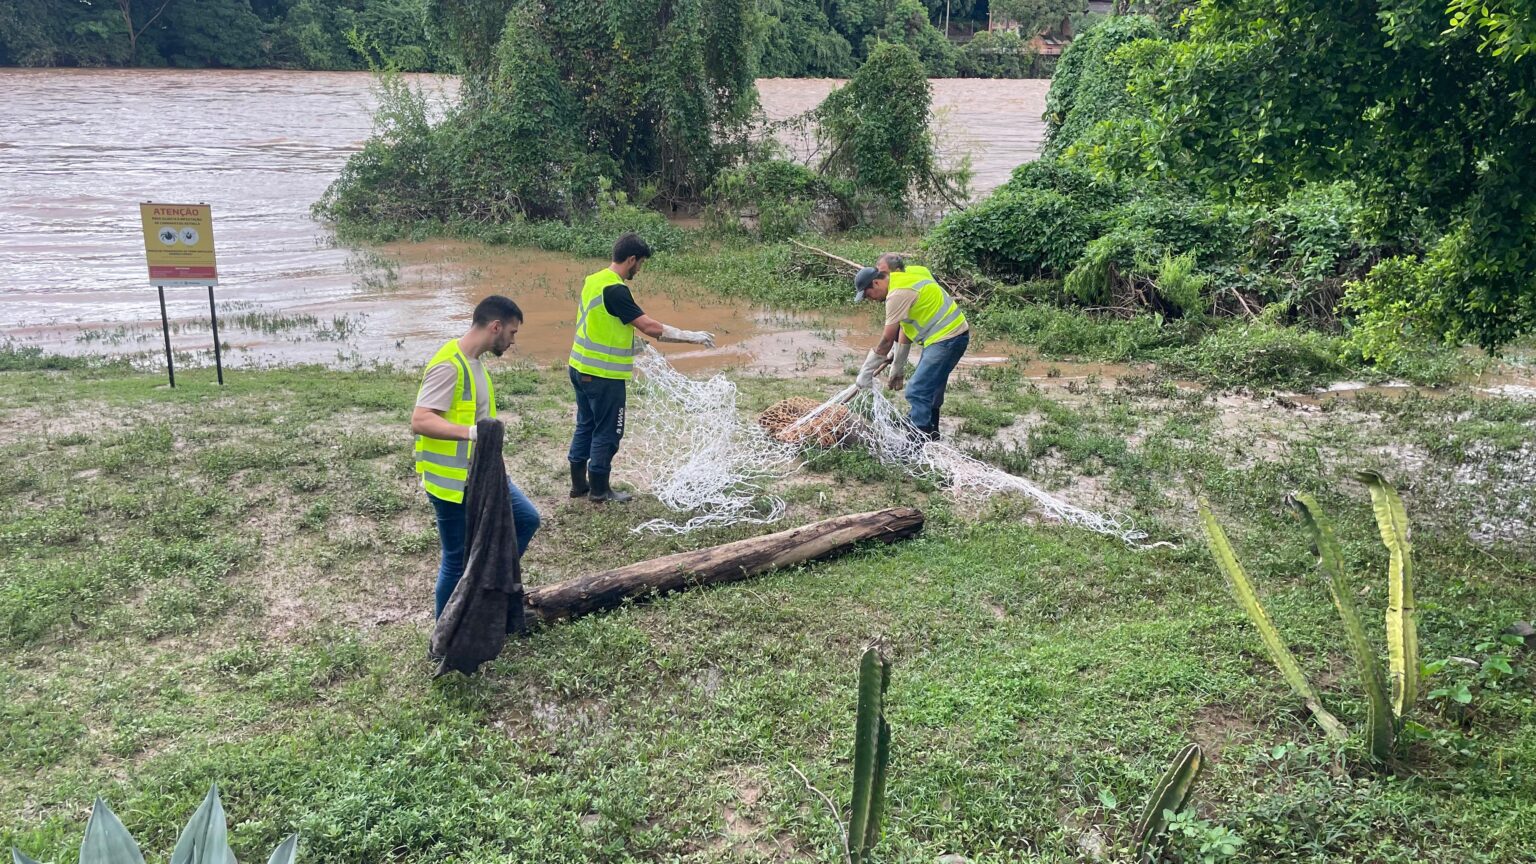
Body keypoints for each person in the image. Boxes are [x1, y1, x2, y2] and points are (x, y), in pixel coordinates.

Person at [410, 295, 540, 620]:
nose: (512, 341)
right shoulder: (448, 365)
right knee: (456, 559)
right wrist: (471, 433)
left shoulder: (475, 363)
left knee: (526, 519)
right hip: (452, 484)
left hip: (482, 475)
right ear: (495, 326)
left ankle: (484, 591)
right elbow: (421, 419)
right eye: (511, 333)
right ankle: (445, 636)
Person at [567, 232, 715, 502]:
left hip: (579, 367)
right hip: (603, 376)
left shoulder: (593, 280)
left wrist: (636, 346)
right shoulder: (616, 289)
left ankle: (579, 485)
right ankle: (600, 490)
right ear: (631, 259)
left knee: (585, 424)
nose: (640, 269)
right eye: (641, 264)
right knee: (608, 431)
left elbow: (602, 323)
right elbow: (650, 327)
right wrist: (691, 335)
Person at [851, 253, 971, 440]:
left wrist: (866, 372)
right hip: (950, 334)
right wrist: (898, 367)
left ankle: (916, 443)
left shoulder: (896, 294)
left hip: (947, 338)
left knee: (917, 390)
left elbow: (886, 340)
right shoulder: (913, 272)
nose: (870, 299)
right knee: (931, 385)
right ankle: (932, 431)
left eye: (867, 295)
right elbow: (905, 329)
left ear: (875, 283)